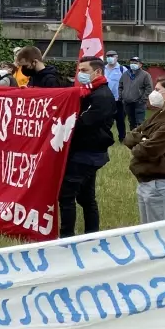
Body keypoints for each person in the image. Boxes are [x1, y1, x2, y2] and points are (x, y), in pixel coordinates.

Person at [56, 56, 115, 238]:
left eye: (84, 71)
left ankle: (67, 236)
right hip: (85, 152)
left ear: (97, 72)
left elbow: (82, 123)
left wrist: (63, 124)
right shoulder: (88, 92)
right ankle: (91, 234)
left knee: (67, 196)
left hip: (87, 154)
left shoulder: (101, 96)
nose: (80, 74)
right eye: (79, 70)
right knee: (85, 197)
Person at [124, 75, 165, 224]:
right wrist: (142, 139)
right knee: (147, 233)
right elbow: (130, 136)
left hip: (163, 185)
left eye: (157, 90)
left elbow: (147, 151)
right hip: (148, 182)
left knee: (160, 237)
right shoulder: (160, 114)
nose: (153, 94)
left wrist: (141, 140)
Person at [120, 56, 154, 130]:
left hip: (139, 103)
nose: (133, 64)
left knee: (140, 122)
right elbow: (120, 86)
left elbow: (149, 88)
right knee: (131, 121)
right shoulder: (125, 74)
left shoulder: (145, 75)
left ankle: (141, 138)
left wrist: (143, 100)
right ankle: (133, 138)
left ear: (140, 65)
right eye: (131, 62)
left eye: (135, 63)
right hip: (127, 102)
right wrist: (122, 97)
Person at [103, 50, 127, 142]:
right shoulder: (102, 69)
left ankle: (122, 139)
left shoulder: (122, 69)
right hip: (106, 99)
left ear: (116, 57)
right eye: (108, 56)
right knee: (106, 120)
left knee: (120, 120)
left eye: (112, 56)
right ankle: (106, 138)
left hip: (118, 100)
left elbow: (127, 83)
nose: (110, 58)